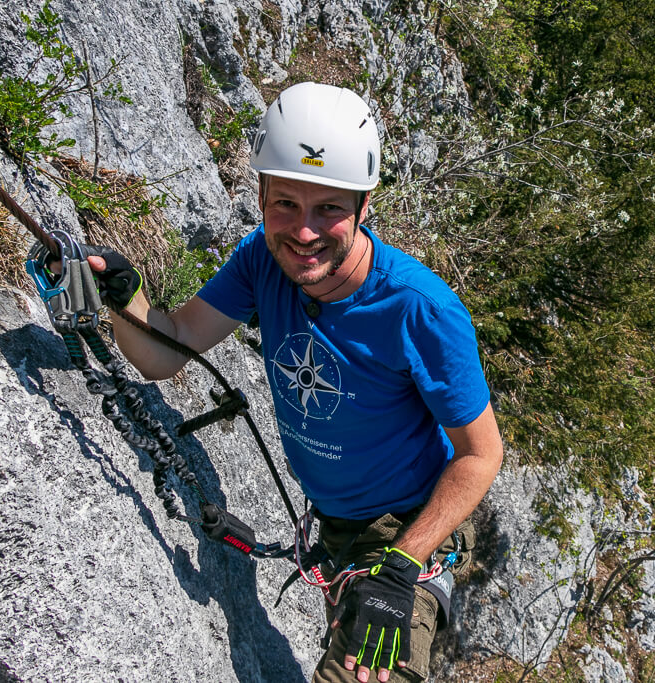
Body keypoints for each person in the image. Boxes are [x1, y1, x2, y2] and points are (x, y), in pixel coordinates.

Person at [85, 82, 503, 683]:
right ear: (259, 194)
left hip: (407, 532)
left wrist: (402, 565)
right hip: (337, 528)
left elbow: (481, 453)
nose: (303, 232)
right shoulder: (262, 260)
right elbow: (168, 349)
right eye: (285, 203)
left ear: (363, 206)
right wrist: (125, 298)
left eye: (328, 208)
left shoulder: (420, 310)